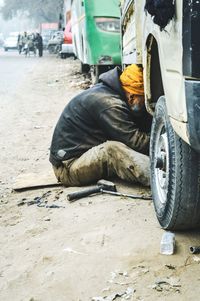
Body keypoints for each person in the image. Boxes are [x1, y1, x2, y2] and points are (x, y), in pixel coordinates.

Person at [49, 64, 152, 187]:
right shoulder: (110, 104)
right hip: (68, 168)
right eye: (143, 98)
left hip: (80, 157)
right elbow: (136, 142)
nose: (146, 103)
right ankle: (164, 180)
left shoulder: (110, 91)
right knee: (112, 150)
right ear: (131, 97)